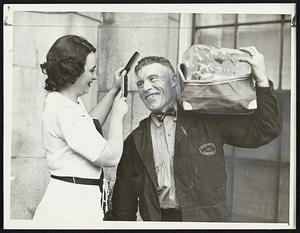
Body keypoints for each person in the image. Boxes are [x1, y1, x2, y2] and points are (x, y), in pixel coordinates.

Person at [111, 47, 282, 222]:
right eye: (140, 83)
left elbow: (265, 129)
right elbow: (123, 207)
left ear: (174, 80)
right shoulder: (135, 141)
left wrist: (261, 78)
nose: (146, 87)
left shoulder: (207, 118)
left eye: (153, 79)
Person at [33, 35, 128, 224]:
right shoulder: (64, 110)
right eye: (91, 70)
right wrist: (118, 116)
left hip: (73, 199)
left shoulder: (65, 102)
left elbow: (89, 126)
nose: (95, 76)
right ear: (73, 71)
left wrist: (114, 90)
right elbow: (110, 157)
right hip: (72, 207)